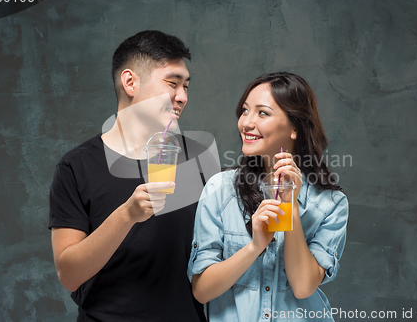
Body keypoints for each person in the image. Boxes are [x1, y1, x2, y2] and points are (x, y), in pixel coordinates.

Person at [49, 30, 218, 321]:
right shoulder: (76, 167)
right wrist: (127, 214)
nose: (182, 97)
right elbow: (69, 274)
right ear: (130, 82)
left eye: (186, 86)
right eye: (172, 84)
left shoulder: (200, 160)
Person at [187, 72, 349, 321]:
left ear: (295, 127)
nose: (247, 123)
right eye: (244, 111)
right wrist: (255, 246)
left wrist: (291, 206)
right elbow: (202, 290)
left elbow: (303, 286)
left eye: (262, 113)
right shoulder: (219, 190)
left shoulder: (330, 204)